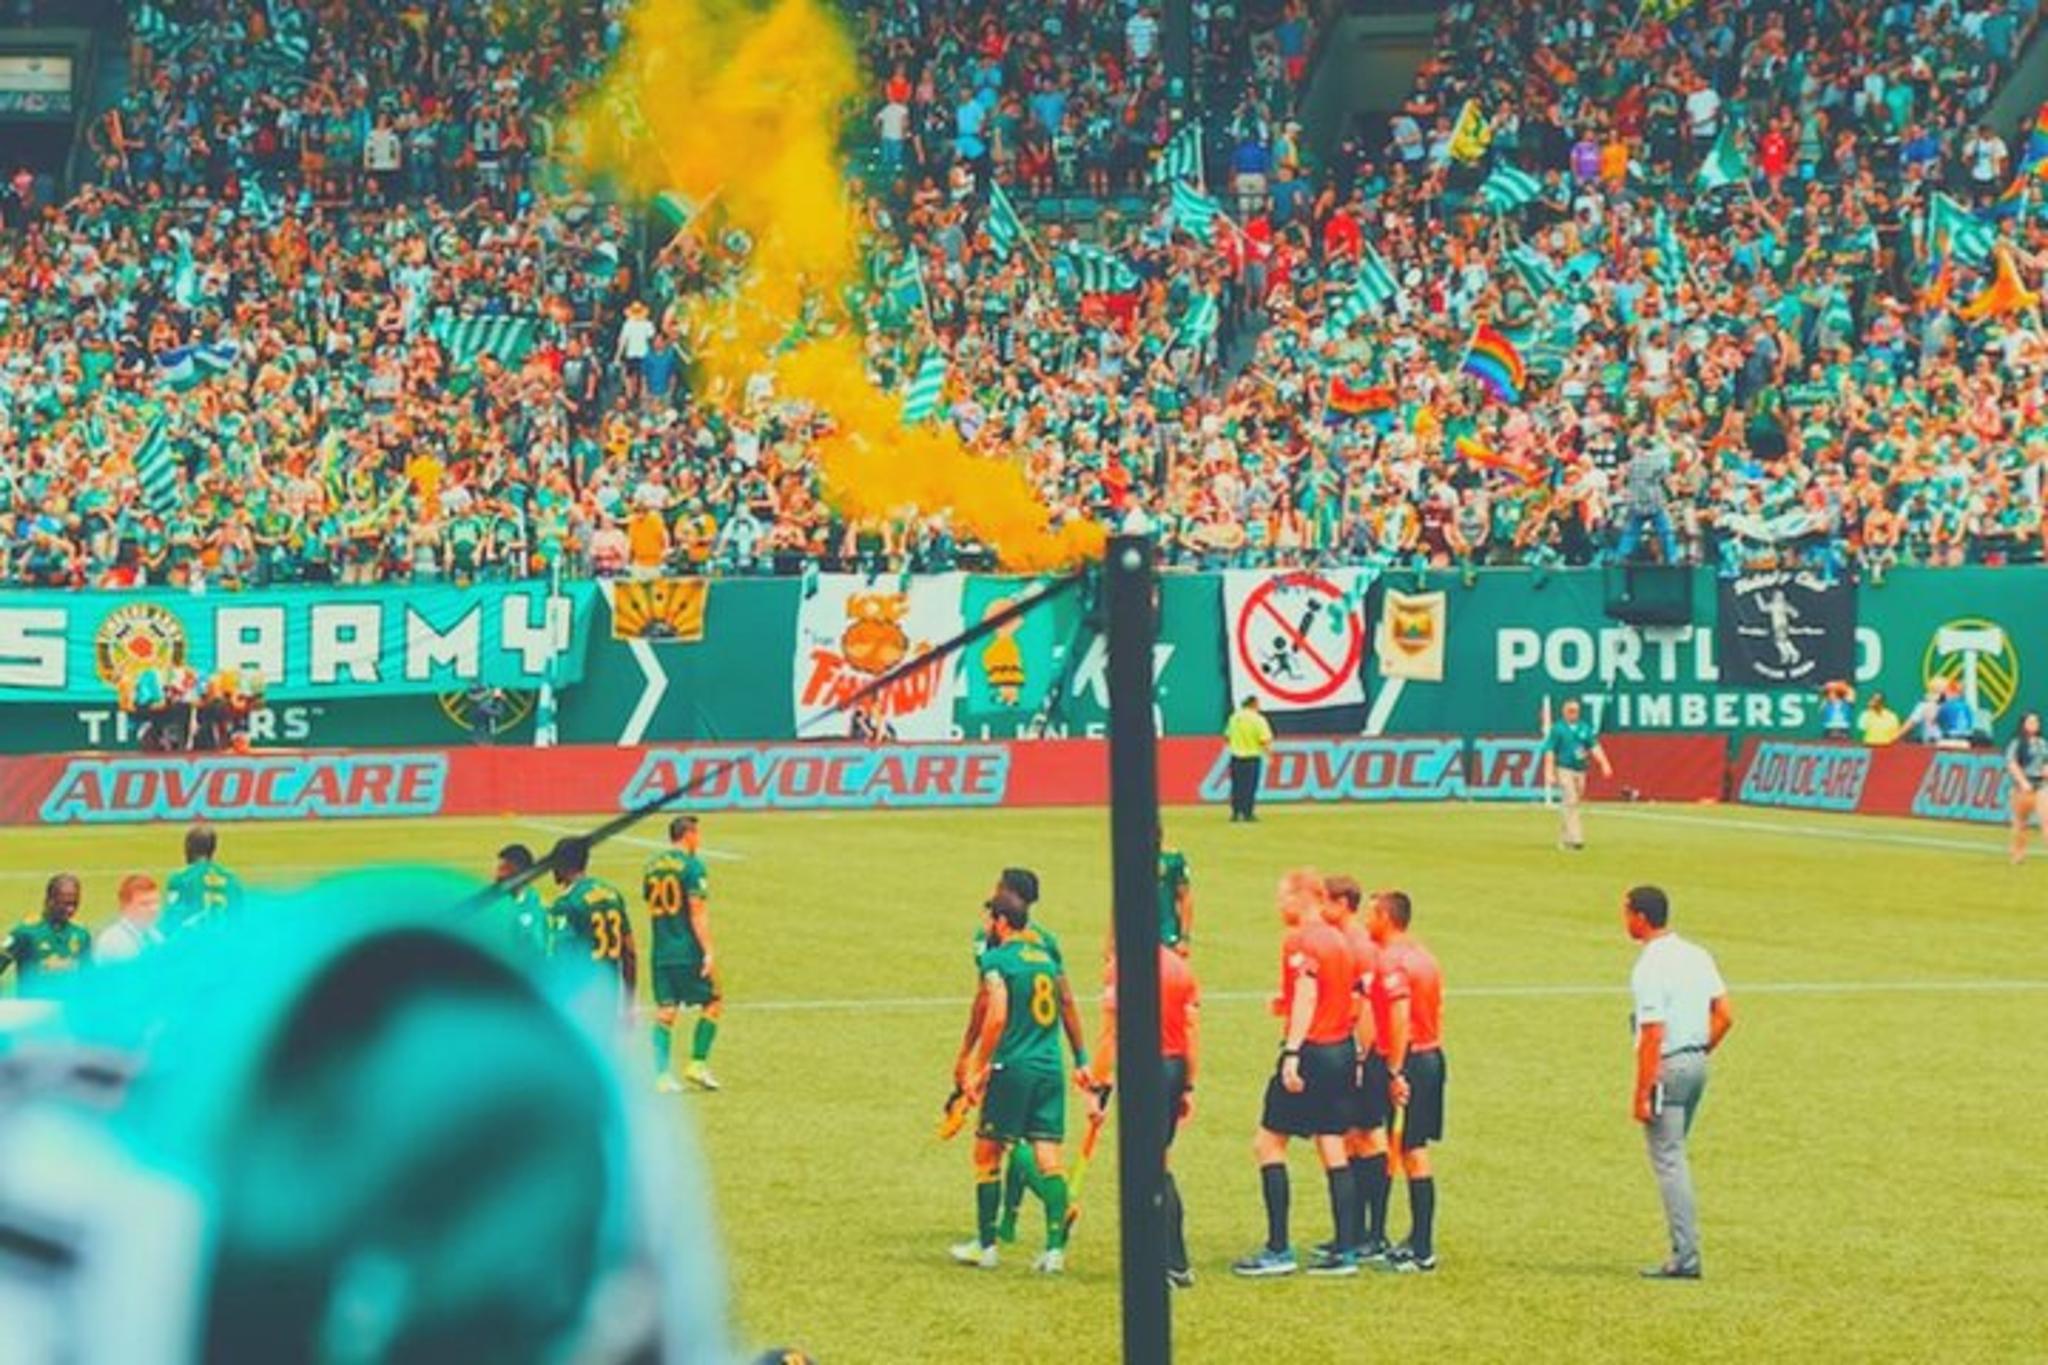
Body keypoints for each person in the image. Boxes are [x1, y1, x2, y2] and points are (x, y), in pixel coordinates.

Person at [1232, 870, 1364, 1278]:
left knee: (1268, 1144)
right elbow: (1347, 996)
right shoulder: (1340, 940)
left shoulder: (1302, 940)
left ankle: (1278, 1248)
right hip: (1341, 1049)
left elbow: (1308, 992)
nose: (1278, 906)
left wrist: (1292, 1051)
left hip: (1312, 1051)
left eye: (1281, 898)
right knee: (1332, 1145)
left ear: (1300, 898)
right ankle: (1346, 1249)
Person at [951, 884, 1084, 1273]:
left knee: (987, 1151)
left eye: (990, 917)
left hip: (1013, 1065)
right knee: (1048, 1155)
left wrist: (980, 1067)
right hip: (1049, 1067)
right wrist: (1081, 1056)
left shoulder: (998, 959)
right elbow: (1065, 1001)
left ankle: (987, 1246)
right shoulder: (1045, 957)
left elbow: (996, 1014)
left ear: (1001, 921)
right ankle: (1054, 1250)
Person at [1624, 885, 1734, 1280]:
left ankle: (1686, 1256)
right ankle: (1684, 1251)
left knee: (1670, 1160)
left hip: (1667, 1066)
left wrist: (1641, 1092)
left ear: (1639, 917)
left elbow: (1652, 1032)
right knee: (1675, 1152)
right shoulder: (1697, 954)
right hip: (1695, 1062)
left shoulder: (1649, 967)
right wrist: (1700, 1050)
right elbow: (1725, 1013)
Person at [1087, 938, 1200, 1288]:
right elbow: (1191, 1030)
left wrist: (1098, 1087)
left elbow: (1111, 1033)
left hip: (1145, 1071)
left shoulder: (1120, 968)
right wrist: (1188, 1085)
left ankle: (1157, 1262)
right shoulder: (1181, 968)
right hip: (1174, 1067)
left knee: (1143, 1167)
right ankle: (1176, 1262)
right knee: (1160, 1161)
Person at [1365, 889, 1446, 1273]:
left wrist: (1395, 1070)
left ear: (1385, 917)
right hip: (1430, 1054)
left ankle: (1423, 1249)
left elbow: (1399, 1016)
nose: (1368, 922)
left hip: (1409, 1059)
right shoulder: (1424, 955)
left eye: (1372, 915)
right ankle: (1415, 1240)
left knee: (1411, 1151)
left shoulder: (1392, 962)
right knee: (1413, 1146)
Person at [644, 816, 722, 1092]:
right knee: (713, 1001)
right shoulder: (692, 866)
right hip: (686, 950)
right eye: (697, 833)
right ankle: (697, 1064)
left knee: (666, 1011)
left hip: (660, 950)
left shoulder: (651, 868)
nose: (698, 839)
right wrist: (708, 952)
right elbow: (697, 911)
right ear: (688, 834)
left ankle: (661, 1076)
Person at [548, 836, 638, 1016]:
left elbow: (560, 957)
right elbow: (629, 952)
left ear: (562, 864)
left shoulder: (566, 903)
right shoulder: (612, 894)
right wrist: (629, 1002)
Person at [1542, 699, 1613, 850]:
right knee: (1571, 799)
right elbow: (1550, 751)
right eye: (1570, 710)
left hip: (1580, 769)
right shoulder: (1558, 729)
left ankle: (1565, 838)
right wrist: (1549, 772)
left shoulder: (1584, 728)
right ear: (1564, 712)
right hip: (1564, 768)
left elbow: (1594, 747)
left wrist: (1604, 763)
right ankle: (1577, 838)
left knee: (1572, 803)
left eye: (1576, 711)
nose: (1573, 713)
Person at [2, 875, 91, 993]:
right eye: (65, 903)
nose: (71, 909)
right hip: (34, 1009)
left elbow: (88, 979)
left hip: (69, 1009)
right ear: (49, 900)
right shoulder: (25, 932)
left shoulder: (81, 934)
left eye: (74, 904)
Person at [164, 823, 245, 933]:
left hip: (196, 943)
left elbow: (172, 918)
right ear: (213, 849)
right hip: (226, 943)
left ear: (187, 848)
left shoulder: (180, 879)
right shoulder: (231, 879)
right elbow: (238, 917)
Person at [493, 844, 552, 958]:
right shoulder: (489, 903)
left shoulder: (536, 906)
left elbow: (540, 949)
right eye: (499, 868)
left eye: (506, 869)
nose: (498, 875)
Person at [2005, 712, 2048, 865]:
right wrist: (2022, 781)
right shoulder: (2017, 743)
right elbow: (2011, 763)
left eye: (2036, 721)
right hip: (2022, 787)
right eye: (2030, 721)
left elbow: (2045, 762)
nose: (2034, 724)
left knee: (2046, 819)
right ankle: (2018, 854)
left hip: (2040, 785)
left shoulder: (2042, 743)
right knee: (2021, 823)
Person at [1224, 695, 1274, 822]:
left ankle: (1235, 813)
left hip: (1236, 756)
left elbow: (1227, 736)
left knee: (1237, 786)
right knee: (1250, 787)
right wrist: (1269, 754)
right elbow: (1264, 739)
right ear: (1254, 704)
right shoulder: (1258, 719)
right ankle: (1248, 813)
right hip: (1252, 757)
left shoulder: (1234, 718)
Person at [94, 874, 165, 963]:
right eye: (145, 904)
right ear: (125, 906)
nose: (153, 909)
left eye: (156, 902)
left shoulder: (155, 937)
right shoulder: (114, 941)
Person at [1157, 829, 1193, 953]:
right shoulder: (1132, 860)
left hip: (1168, 933)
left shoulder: (1173, 859)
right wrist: (1111, 941)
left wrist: (1184, 938)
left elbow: (1185, 897)